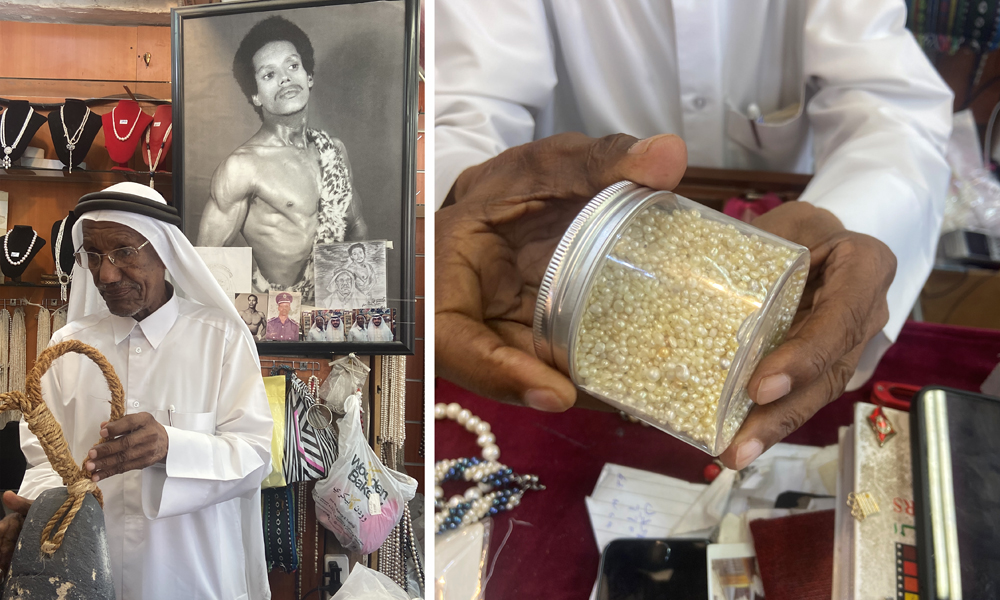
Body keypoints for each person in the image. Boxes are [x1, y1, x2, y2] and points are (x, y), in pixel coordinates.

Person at [435, 1, 953, 471]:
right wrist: (462, 191)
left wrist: (852, 224)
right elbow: (462, 95)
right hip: (560, 268)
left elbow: (892, 104)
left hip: (787, 248)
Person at [0, 182, 273, 599]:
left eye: (124, 252)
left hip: (192, 579)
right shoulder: (65, 349)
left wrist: (172, 447)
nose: (105, 274)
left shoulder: (222, 341)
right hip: (84, 576)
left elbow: (255, 457)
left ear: (165, 252)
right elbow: (43, 464)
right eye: (93, 256)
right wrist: (32, 512)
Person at [197, 16, 368, 304]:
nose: (285, 78)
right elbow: (204, 259)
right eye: (269, 74)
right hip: (277, 320)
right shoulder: (242, 166)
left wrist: (355, 300)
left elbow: (357, 227)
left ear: (308, 76)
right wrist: (251, 314)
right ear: (256, 96)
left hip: (332, 316)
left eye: (292, 66)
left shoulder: (334, 150)